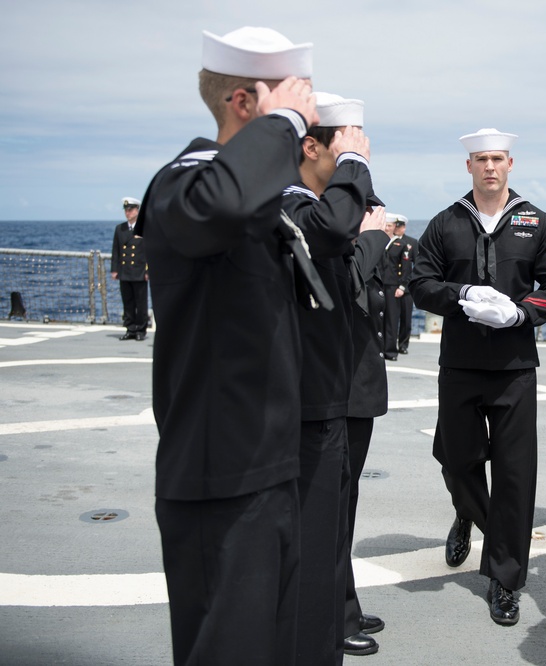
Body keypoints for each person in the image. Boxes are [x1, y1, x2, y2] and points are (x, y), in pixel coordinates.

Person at [136, 26, 318, 666]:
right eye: (294, 104)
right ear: (246, 104)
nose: (307, 122)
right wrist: (286, 123)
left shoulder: (250, 198)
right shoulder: (185, 185)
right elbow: (222, 203)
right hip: (220, 476)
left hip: (265, 464)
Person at [409, 128, 546, 626]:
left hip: (515, 369)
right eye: (481, 159)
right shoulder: (445, 222)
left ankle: (505, 579)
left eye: (497, 158)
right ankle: (467, 510)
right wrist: (460, 296)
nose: (490, 167)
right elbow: (419, 282)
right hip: (459, 364)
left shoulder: (536, 221)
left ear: (510, 163)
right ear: (469, 166)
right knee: (456, 462)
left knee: (516, 477)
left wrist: (520, 315)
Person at [280, 92, 381, 663]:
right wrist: (355, 168)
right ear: (312, 146)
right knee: (312, 545)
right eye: (348, 143)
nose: (360, 155)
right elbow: (335, 230)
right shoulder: (294, 204)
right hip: (307, 405)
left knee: (326, 533)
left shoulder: (312, 207)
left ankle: (329, 627)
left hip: (330, 396)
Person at [344, 208, 393, 655]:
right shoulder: (337, 242)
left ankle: (344, 602)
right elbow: (346, 285)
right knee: (332, 507)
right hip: (335, 393)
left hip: (353, 393)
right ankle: (334, 615)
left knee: (344, 502)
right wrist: (369, 239)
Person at [110, 197, 148, 341]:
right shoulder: (120, 229)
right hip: (125, 271)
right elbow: (116, 251)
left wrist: (148, 270)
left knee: (140, 303)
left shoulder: (144, 227)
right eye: (126, 210)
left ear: (137, 210)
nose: (128, 213)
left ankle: (140, 330)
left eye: (130, 210)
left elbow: (150, 251)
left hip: (139, 271)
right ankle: (130, 328)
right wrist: (114, 269)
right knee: (128, 302)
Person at [382, 214, 417, 358]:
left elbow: (411, 266)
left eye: (392, 226)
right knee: (387, 317)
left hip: (401, 286)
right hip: (385, 285)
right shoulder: (383, 242)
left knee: (402, 318)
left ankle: (399, 346)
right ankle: (385, 347)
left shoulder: (407, 244)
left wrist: (404, 285)